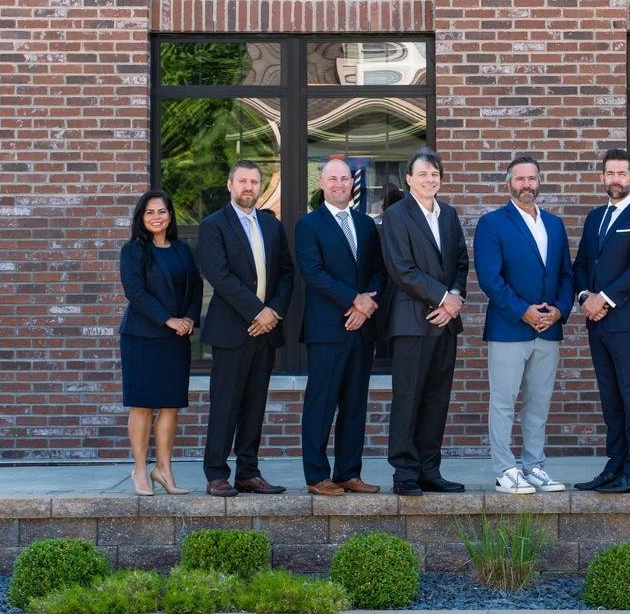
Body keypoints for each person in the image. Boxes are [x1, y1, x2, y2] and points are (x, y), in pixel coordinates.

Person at [473, 155, 573, 494]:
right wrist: (523, 312)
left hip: (549, 328)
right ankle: (505, 470)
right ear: (508, 184)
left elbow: (565, 274)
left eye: (532, 178)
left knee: (538, 403)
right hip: (509, 328)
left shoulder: (555, 225)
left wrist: (559, 310)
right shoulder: (492, 223)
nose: (526, 184)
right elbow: (490, 278)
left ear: (539, 182)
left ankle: (534, 466)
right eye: (520, 179)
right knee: (504, 402)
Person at [198, 160, 295, 497]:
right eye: (242, 181)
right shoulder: (214, 225)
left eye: (254, 182)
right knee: (225, 404)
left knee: (255, 405)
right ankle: (216, 474)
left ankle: (248, 473)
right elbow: (219, 275)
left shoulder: (271, 225)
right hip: (232, 330)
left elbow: (287, 273)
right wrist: (258, 312)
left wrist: (274, 312)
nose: (248, 187)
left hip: (266, 331)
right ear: (230, 185)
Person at [295, 159, 387, 497]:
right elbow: (313, 273)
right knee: (321, 403)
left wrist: (366, 305)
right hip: (327, 329)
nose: (339, 184)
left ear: (353, 183)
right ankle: (316, 475)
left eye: (344, 178)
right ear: (322, 183)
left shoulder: (366, 224)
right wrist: (354, 300)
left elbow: (378, 270)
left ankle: (349, 472)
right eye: (332, 179)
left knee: (354, 404)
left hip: (361, 328)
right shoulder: (308, 224)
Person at [380, 147, 469, 496]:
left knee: (436, 399)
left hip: (445, 322)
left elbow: (460, 261)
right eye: (423, 174)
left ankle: (430, 470)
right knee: (408, 398)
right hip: (411, 323)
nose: (430, 180)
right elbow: (402, 269)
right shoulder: (396, 215)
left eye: (435, 174)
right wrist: (444, 297)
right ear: (408, 179)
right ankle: (405, 473)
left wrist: (454, 298)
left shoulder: (448, 214)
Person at [572, 149, 630, 494]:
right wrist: (584, 297)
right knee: (610, 399)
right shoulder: (595, 217)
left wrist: (603, 299)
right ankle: (615, 465)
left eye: (622, 173)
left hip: (627, 324)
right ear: (602, 177)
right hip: (597, 324)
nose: (616, 179)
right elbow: (581, 264)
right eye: (610, 173)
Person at [118, 190, 202, 496]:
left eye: (162, 211)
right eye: (150, 212)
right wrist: (168, 319)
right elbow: (135, 292)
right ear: (141, 217)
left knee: (170, 406)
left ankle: (164, 470)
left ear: (170, 215)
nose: (157, 217)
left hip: (176, 339)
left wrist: (189, 317)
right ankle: (140, 469)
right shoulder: (133, 251)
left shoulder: (182, 249)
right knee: (142, 405)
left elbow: (196, 287)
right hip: (142, 337)